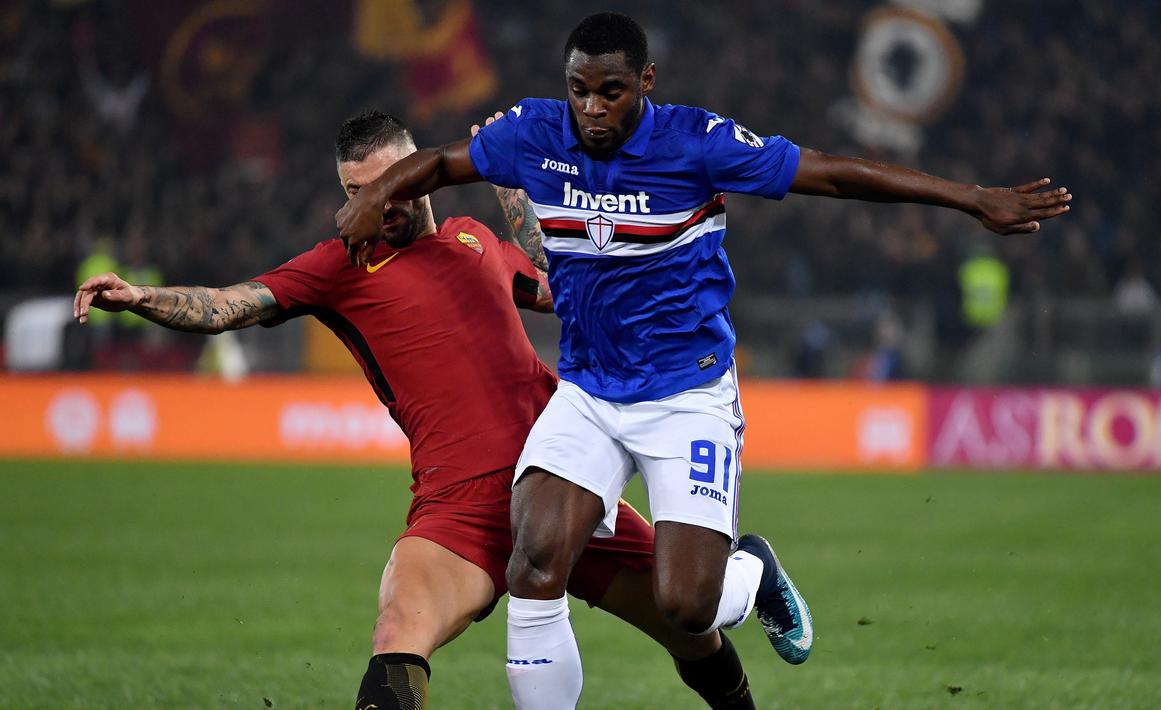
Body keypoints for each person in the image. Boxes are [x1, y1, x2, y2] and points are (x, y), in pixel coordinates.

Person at [335, 13, 1073, 709]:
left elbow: (834, 174)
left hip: (685, 396)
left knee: (687, 606)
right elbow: (437, 163)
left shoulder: (696, 144)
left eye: (610, 91)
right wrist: (376, 201)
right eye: (579, 90)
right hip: (589, 391)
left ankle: (751, 571)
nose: (591, 108)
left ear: (645, 83)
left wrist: (970, 199)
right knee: (532, 564)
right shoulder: (535, 132)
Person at [75, 110, 760, 710]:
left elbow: (558, 286)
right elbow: (231, 303)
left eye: (388, 184)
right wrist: (141, 300)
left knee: (692, 627)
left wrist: (511, 182)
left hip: (561, 483)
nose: (379, 203)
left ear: (423, 172)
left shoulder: (472, 240)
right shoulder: (338, 267)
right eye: (357, 192)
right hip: (459, 507)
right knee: (399, 627)